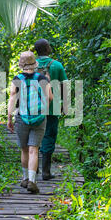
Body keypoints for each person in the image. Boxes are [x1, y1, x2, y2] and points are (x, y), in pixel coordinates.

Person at [7, 51, 53, 194]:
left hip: (22, 117)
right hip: (39, 118)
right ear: (34, 63)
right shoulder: (42, 78)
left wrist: (9, 117)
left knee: (24, 149)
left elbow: (12, 98)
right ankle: (32, 181)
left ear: (21, 65)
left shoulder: (17, 79)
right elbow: (50, 98)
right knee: (34, 150)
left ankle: (25, 178)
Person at [34, 39, 68, 181]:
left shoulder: (30, 65)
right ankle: (46, 172)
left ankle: (33, 168)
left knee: (34, 136)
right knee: (49, 135)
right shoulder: (57, 65)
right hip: (52, 106)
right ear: (47, 48)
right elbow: (64, 86)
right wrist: (65, 105)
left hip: (33, 107)